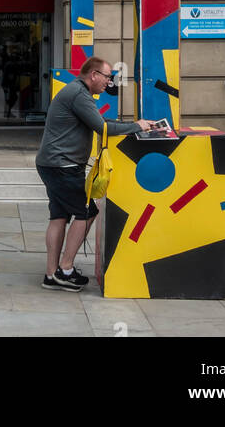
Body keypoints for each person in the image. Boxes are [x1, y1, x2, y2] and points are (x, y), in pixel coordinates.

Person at [35, 56, 152, 290]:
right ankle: (65, 269)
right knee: (87, 211)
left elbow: (98, 120)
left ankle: (51, 274)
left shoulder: (78, 92)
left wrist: (130, 123)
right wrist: (137, 126)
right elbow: (103, 127)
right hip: (62, 166)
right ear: (94, 75)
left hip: (54, 164)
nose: (109, 83)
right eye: (108, 77)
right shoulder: (79, 94)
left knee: (59, 216)